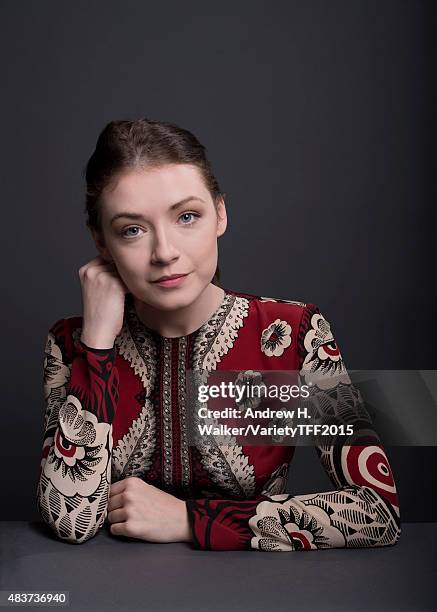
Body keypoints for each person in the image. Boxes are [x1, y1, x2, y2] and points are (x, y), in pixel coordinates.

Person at [36, 118, 401, 550]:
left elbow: (376, 513)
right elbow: (71, 523)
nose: (165, 252)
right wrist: (96, 343)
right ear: (101, 243)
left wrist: (190, 520)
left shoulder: (289, 332)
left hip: (258, 592)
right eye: (132, 230)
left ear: (220, 214)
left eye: (187, 216)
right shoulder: (71, 343)